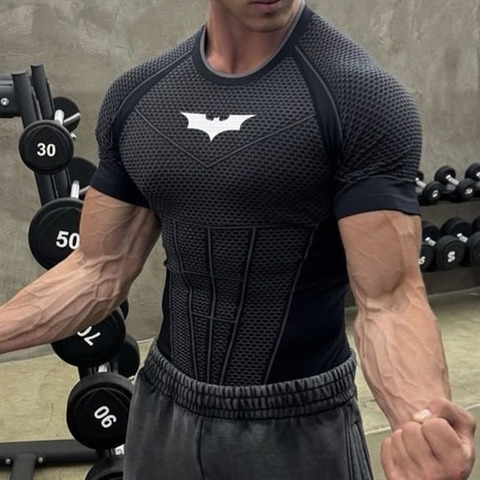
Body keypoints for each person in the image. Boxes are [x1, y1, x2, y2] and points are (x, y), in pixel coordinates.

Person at [1, 0, 476, 478]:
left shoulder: (362, 97)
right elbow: (97, 269)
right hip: (163, 409)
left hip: (297, 422)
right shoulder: (139, 95)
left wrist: (420, 423)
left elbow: (389, 299)